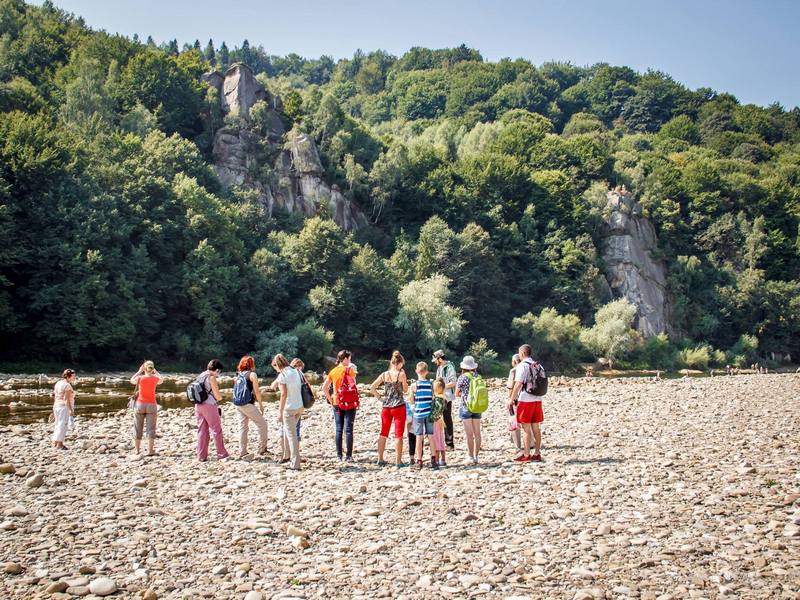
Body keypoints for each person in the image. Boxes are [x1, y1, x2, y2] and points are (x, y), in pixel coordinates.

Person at [369, 350, 409, 466]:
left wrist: (380, 398)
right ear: (400, 363)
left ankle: (380, 459)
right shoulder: (401, 374)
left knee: (383, 432)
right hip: (398, 406)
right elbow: (405, 390)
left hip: (386, 407)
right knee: (398, 434)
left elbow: (372, 387)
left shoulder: (384, 374)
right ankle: (398, 461)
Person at [508, 344, 545, 463]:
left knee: (526, 428)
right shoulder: (539, 365)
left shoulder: (522, 366)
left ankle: (526, 454)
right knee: (536, 426)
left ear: (522, 353)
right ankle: (537, 453)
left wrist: (511, 399)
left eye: (519, 353)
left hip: (525, 400)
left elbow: (518, 384)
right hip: (537, 399)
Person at [322, 350, 357, 462]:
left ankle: (339, 456)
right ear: (345, 359)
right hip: (350, 403)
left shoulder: (333, 371)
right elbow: (354, 386)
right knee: (348, 430)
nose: (350, 361)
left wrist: (330, 400)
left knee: (338, 429)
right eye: (349, 359)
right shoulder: (350, 370)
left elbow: (324, 387)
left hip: (337, 402)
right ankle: (349, 456)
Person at [195, 359, 230, 462]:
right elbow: (217, 396)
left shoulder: (201, 375)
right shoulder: (211, 377)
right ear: (217, 370)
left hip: (198, 405)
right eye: (219, 371)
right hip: (209, 405)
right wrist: (221, 397)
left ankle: (201, 455)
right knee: (216, 430)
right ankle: (221, 454)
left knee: (202, 430)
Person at [234, 355, 268, 459]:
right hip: (248, 404)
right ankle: (262, 448)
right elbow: (257, 391)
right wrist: (261, 405)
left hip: (238, 404)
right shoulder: (252, 375)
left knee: (243, 427)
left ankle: (242, 451)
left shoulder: (238, 376)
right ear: (251, 364)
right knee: (263, 425)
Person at [273, 354, 303, 470]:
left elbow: (283, 394)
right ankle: (286, 456)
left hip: (289, 409)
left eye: (274, 367)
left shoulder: (282, 375)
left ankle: (295, 464)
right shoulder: (296, 371)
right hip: (299, 406)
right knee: (287, 430)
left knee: (292, 436)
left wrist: (280, 412)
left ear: (277, 365)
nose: (275, 370)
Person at [130, 360, 163, 456]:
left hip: (140, 404)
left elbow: (132, 380)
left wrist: (139, 371)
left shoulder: (140, 378)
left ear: (144, 368)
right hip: (152, 405)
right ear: (152, 369)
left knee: (137, 427)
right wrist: (156, 372)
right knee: (151, 428)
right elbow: (162, 380)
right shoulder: (155, 378)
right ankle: (150, 451)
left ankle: (137, 450)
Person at [408, 362, 435, 469]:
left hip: (418, 413)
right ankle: (434, 460)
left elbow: (411, 400)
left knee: (419, 436)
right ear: (427, 372)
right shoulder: (430, 384)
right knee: (431, 436)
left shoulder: (414, 385)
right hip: (429, 412)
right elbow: (432, 397)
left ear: (416, 371)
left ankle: (419, 461)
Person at [456, 355, 482, 465]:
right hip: (477, 406)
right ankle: (476, 457)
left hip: (466, 406)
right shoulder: (478, 376)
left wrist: (465, 394)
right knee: (477, 433)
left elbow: (457, 393)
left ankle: (470, 456)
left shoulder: (462, 377)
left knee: (469, 434)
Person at [433, 350, 457, 450]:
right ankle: (437, 440)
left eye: (435, 359)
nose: (434, 362)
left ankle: (450, 443)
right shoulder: (439, 368)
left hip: (447, 397)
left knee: (447, 418)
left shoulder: (449, 367)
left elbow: (454, 382)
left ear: (440, 358)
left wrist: (442, 387)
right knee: (437, 418)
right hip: (439, 396)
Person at [52, 369, 76, 449]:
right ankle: (60, 444)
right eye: (73, 376)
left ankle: (55, 442)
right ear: (69, 376)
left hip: (56, 405)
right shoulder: (67, 385)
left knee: (57, 423)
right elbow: (66, 399)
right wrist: (70, 410)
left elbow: (55, 395)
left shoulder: (58, 383)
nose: (74, 378)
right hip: (63, 407)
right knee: (63, 424)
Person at [506, 354, 522, 451]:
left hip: (515, 399)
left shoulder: (513, 371)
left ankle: (517, 444)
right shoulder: (526, 369)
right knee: (526, 421)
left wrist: (509, 399)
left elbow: (510, 386)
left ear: (514, 361)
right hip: (526, 398)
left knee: (514, 420)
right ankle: (532, 442)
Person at [431, 378, 448, 467]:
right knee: (441, 439)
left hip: (436, 421)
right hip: (441, 420)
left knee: (436, 440)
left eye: (435, 387)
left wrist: (430, 418)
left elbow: (435, 411)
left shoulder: (437, 399)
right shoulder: (443, 398)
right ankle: (443, 460)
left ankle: (437, 460)